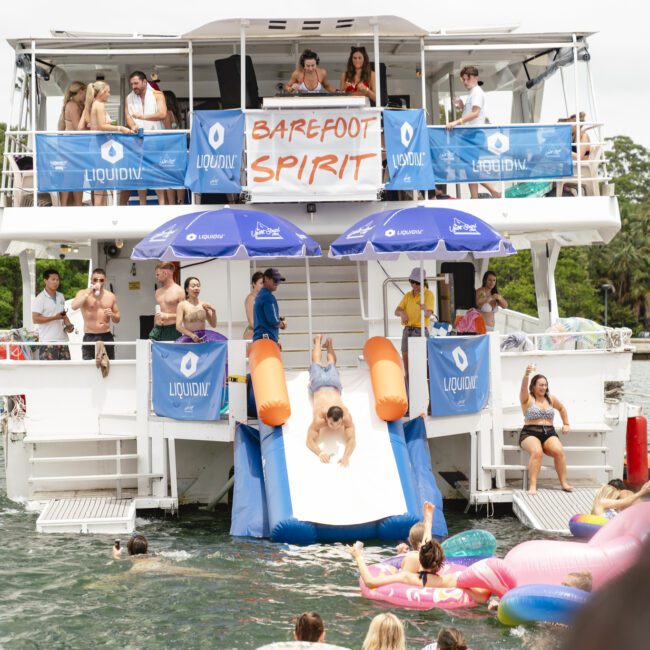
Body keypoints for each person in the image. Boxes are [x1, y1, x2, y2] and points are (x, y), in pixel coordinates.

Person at [347, 501, 489, 602]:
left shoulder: (407, 577)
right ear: (441, 561)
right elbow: (482, 596)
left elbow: (370, 582)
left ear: (420, 557)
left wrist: (358, 557)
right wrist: (428, 521)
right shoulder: (449, 580)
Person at [559, 537, 650, 650]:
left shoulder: (587, 618)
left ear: (578, 593)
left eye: (567, 586)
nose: (561, 588)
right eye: (562, 584)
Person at [446, 66, 501, 199]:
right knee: (469, 168)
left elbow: (475, 113)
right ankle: (476, 196)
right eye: (463, 79)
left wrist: (456, 122)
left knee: (470, 168)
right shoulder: (473, 92)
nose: (465, 82)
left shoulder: (477, 92)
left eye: (468, 79)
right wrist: (462, 106)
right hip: (469, 135)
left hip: (474, 134)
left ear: (476, 78)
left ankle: (492, 192)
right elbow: (472, 112)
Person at [79, 81, 135, 206]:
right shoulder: (99, 105)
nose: (109, 94)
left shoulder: (94, 104)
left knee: (102, 179)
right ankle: (99, 209)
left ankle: (101, 208)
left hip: (98, 145)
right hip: (99, 146)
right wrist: (121, 128)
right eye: (108, 92)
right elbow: (102, 126)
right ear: (102, 92)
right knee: (102, 179)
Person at [519, 365, 572, 495]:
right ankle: (532, 486)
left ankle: (564, 482)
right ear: (533, 386)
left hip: (549, 432)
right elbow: (523, 388)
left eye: (545, 385)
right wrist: (526, 375)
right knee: (537, 452)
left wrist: (566, 423)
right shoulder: (527, 398)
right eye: (540, 385)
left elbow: (562, 408)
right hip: (530, 432)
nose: (543, 388)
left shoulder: (551, 398)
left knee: (559, 451)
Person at [306, 334, 356, 467]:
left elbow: (352, 439)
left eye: (338, 424)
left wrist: (346, 457)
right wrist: (320, 452)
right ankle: (322, 343)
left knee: (320, 362)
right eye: (332, 424)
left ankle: (323, 342)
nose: (335, 427)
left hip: (329, 384)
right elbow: (309, 440)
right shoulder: (319, 420)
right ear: (326, 418)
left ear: (341, 418)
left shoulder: (345, 417)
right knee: (324, 362)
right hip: (323, 384)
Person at [121, 71, 167, 206]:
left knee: (157, 172)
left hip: (155, 139)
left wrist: (142, 117)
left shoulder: (157, 95)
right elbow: (128, 116)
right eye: (132, 84)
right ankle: (142, 204)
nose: (133, 86)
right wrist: (133, 125)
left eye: (136, 83)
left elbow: (163, 113)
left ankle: (162, 204)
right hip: (137, 139)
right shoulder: (129, 98)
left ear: (144, 82)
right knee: (139, 173)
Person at [395, 268, 434, 384]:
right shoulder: (408, 295)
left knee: (420, 364)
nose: (414, 285)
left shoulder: (428, 295)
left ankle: (422, 389)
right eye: (412, 281)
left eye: (417, 282)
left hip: (420, 330)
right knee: (407, 363)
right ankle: (408, 387)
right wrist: (402, 313)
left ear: (424, 282)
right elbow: (396, 310)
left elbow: (429, 314)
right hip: (407, 330)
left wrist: (425, 309)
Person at [71, 268, 120, 361]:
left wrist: (112, 315)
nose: (98, 282)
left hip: (106, 335)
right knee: (88, 368)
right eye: (95, 279)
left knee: (109, 367)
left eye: (101, 280)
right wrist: (88, 293)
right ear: (91, 280)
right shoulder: (83, 293)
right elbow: (74, 306)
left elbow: (117, 319)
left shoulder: (110, 296)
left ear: (105, 281)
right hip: (90, 335)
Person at [32, 268, 74, 361]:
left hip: (63, 340)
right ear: (45, 281)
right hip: (47, 341)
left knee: (65, 372)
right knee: (49, 373)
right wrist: (54, 318)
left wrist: (69, 325)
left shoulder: (61, 296)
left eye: (57, 280)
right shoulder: (40, 298)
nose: (56, 282)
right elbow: (35, 319)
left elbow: (63, 314)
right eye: (53, 279)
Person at [58, 81, 86, 207]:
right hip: (72, 146)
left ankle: (68, 206)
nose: (86, 95)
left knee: (71, 178)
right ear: (80, 91)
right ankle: (74, 206)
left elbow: (61, 127)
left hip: (70, 145)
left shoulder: (70, 105)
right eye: (85, 92)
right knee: (73, 179)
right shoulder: (73, 106)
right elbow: (77, 128)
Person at [149, 262, 184, 341]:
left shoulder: (179, 291)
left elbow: (184, 315)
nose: (156, 277)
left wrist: (167, 315)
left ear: (165, 273)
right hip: (157, 329)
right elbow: (159, 313)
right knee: (152, 352)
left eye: (158, 274)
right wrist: (155, 326)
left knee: (172, 353)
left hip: (172, 329)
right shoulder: (158, 292)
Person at [176, 277, 217, 343]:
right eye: (193, 286)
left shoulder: (204, 305)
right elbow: (178, 326)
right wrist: (192, 335)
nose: (196, 288)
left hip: (203, 339)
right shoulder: (182, 305)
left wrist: (214, 312)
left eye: (198, 286)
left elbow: (213, 324)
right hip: (188, 339)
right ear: (187, 289)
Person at [163, 90, 186, 206]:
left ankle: (172, 204)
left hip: (169, 150)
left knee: (169, 179)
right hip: (178, 149)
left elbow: (167, 133)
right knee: (179, 178)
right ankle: (180, 202)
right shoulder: (174, 114)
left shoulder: (167, 113)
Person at [253, 268, 287, 344]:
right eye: (275, 280)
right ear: (266, 279)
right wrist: (283, 324)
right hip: (267, 340)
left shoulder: (260, 295)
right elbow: (273, 321)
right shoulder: (268, 297)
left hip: (259, 339)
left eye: (279, 281)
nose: (277, 283)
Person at [243, 271, 264, 340]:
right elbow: (252, 321)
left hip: (261, 333)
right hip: (253, 334)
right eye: (261, 283)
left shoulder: (262, 297)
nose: (263, 285)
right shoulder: (250, 298)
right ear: (253, 284)